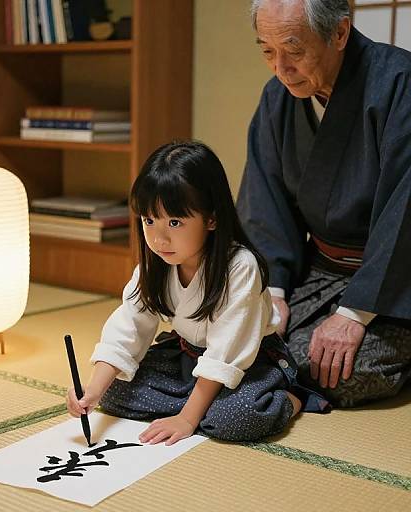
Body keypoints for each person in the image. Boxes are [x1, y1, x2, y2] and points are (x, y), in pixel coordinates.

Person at [66, 140, 322, 446]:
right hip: (187, 356)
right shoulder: (156, 264)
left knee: (233, 419)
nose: (159, 238)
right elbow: (129, 325)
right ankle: (199, 405)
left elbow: (226, 351)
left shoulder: (240, 267)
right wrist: (92, 391)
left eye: (175, 222)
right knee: (114, 390)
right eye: (149, 220)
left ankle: (287, 399)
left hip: (248, 363)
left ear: (211, 218)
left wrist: (188, 419)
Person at [237, 0, 411, 408]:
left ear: (340, 33)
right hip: (323, 270)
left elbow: (405, 211)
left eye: (294, 49)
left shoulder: (399, 83)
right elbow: (264, 198)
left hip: (397, 278)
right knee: (244, 345)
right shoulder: (278, 96)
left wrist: (353, 315)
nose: (281, 67)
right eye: (267, 50)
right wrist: (273, 291)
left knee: (335, 371)